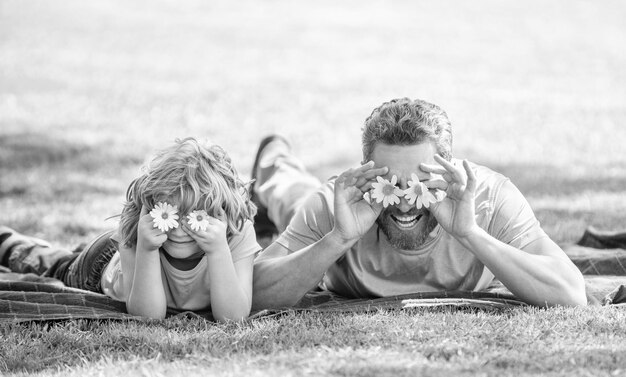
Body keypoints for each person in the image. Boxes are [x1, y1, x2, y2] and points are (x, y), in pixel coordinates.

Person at [251, 98, 587, 309]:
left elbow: (570, 293)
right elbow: (252, 292)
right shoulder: (336, 204)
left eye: (420, 183)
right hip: (319, 212)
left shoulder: (489, 198)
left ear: (448, 169)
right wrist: (338, 238)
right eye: (391, 183)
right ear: (368, 172)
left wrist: (470, 233)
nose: (405, 203)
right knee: (290, 194)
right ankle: (274, 157)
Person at [0, 137, 260, 321]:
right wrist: (146, 248)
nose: (180, 230)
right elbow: (148, 316)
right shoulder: (139, 230)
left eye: (195, 215)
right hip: (98, 267)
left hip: (126, 258)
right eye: (170, 213)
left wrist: (217, 251)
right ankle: (8, 240)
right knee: (52, 265)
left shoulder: (235, 233)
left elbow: (233, 317)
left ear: (219, 213)